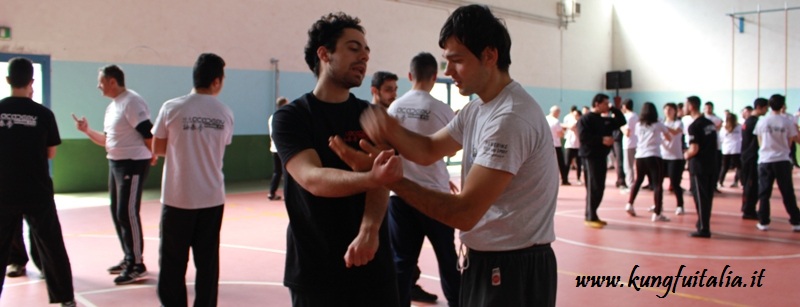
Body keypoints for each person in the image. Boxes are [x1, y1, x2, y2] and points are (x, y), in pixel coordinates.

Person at [334, 5, 559, 306]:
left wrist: (391, 180)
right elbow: (428, 150)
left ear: (489, 56)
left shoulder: (510, 118)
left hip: (512, 267)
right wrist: (389, 128)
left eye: (457, 61)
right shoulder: (478, 108)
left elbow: (464, 213)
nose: (448, 71)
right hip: (489, 260)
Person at [271, 12, 400, 306]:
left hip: (373, 262)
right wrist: (371, 177)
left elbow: (382, 179)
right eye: (354, 48)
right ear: (324, 54)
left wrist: (369, 231)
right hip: (316, 269)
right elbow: (312, 178)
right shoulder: (292, 117)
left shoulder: (372, 115)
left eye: (366, 52)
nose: (364, 58)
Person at [152, 53, 234, 306]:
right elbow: (220, 147)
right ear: (217, 81)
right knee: (207, 264)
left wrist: (180, 148)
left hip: (178, 197)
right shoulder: (225, 113)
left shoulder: (172, 107)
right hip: (211, 198)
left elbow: (157, 147)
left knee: (172, 263)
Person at [384, 51, 460, 307]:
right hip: (435, 197)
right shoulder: (441, 109)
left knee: (401, 264)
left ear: (409, 75)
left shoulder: (393, 107)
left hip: (401, 195)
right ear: (434, 77)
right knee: (448, 261)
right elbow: (453, 147)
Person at [0, 57, 76, 307]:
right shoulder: (43, 114)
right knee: (52, 245)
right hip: (37, 189)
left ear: (8, 80)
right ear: (31, 81)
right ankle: (65, 298)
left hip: (4, 190)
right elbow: (50, 152)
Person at [72, 64, 155, 284]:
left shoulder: (132, 101)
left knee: (127, 212)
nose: (98, 86)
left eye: (101, 81)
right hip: (116, 163)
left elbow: (148, 131)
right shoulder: (112, 107)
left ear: (112, 81)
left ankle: (137, 264)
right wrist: (87, 131)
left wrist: (153, 153)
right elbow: (107, 141)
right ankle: (129, 257)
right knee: (117, 212)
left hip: (133, 164)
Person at [752, 94, 800, 232]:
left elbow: (759, 140)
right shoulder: (787, 122)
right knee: (787, 192)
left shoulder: (762, 121)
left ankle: (764, 221)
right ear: (783, 105)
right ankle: (796, 221)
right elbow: (791, 141)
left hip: (765, 160)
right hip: (783, 160)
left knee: (764, 193)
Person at [579, 94, 626, 228]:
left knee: (600, 186)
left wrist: (614, 109)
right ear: (597, 104)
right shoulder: (586, 119)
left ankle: (594, 214)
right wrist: (601, 140)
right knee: (593, 186)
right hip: (590, 156)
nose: (607, 105)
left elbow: (622, 121)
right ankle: (589, 216)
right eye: (605, 103)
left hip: (601, 157)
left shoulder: (605, 120)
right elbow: (583, 137)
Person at [624, 102, 672, 222]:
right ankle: (657, 213)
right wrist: (660, 139)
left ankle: (629, 204)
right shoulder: (658, 124)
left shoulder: (639, 124)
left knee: (638, 180)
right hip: (654, 155)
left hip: (640, 155)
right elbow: (668, 137)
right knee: (657, 184)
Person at [684, 96, 717, 238]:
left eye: (685, 105)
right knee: (707, 196)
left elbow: (694, 149)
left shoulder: (694, 126)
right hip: (712, 164)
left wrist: (685, 156)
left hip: (699, 166)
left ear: (691, 106)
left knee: (701, 197)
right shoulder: (710, 123)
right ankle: (702, 223)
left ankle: (704, 228)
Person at [740, 98, 768, 220]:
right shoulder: (754, 122)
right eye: (766, 108)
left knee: (749, 184)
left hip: (747, 156)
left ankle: (747, 207)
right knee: (751, 185)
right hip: (751, 157)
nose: (767, 110)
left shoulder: (749, 121)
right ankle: (748, 210)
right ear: (760, 107)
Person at [660, 103, 686, 215]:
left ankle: (680, 205)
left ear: (675, 111)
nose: (668, 111)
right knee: (658, 183)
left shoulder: (679, 123)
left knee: (675, 183)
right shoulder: (661, 123)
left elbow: (675, 131)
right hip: (662, 156)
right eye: (665, 109)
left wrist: (662, 127)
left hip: (675, 157)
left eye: (670, 109)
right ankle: (658, 205)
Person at [268, 96, 289, 200]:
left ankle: (271, 193)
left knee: (277, 172)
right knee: (287, 172)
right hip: (281, 148)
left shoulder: (272, 117)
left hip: (274, 148)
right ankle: (288, 194)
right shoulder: (283, 116)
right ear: (284, 104)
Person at [547, 105, 570, 185]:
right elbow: (560, 134)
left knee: (547, 163)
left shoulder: (545, 119)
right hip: (556, 144)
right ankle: (564, 179)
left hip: (547, 145)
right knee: (561, 163)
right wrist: (564, 132)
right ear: (556, 112)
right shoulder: (555, 121)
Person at [703, 102, 723, 193]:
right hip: (704, 147)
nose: (708, 109)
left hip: (716, 146)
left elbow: (717, 128)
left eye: (709, 108)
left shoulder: (717, 119)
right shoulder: (702, 119)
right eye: (706, 108)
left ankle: (713, 185)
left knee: (716, 167)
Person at [718, 113, 742, 188]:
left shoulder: (723, 128)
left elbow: (721, 138)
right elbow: (742, 137)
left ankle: (720, 182)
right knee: (739, 166)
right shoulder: (739, 127)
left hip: (726, 149)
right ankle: (739, 182)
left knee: (724, 167)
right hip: (736, 149)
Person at [620, 99, 638, 192]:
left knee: (628, 166)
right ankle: (633, 184)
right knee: (632, 165)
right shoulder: (636, 116)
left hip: (628, 143)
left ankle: (630, 185)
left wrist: (620, 126)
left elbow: (627, 132)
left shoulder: (627, 117)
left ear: (624, 106)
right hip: (636, 142)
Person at [563, 106, 582, 184]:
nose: (574, 116)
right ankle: (565, 178)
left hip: (578, 145)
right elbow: (567, 127)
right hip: (570, 144)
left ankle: (578, 178)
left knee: (579, 163)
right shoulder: (569, 120)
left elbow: (573, 127)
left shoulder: (581, 122)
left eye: (576, 115)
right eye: (573, 115)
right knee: (567, 163)